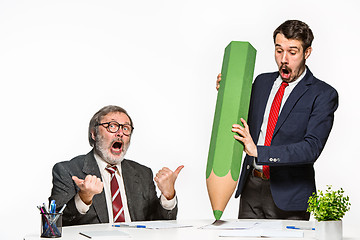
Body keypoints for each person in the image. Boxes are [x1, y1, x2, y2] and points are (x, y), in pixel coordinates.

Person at [216, 20, 338, 220]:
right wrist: (228, 91)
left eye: (292, 52)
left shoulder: (323, 94)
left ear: (307, 53)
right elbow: (241, 118)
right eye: (279, 50)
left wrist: (259, 151)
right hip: (251, 189)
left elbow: (311, 148)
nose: (284, 59)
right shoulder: (261, 82)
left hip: (290, 196)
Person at [49, 105, 184, 226]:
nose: (120, 133)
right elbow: (54, 224)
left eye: (126, 128)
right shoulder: (67, 170)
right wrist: (83, 198)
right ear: (94, 133)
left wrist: (168, 196)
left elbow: (160, 226)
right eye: (112, 126)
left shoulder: (143, 173)